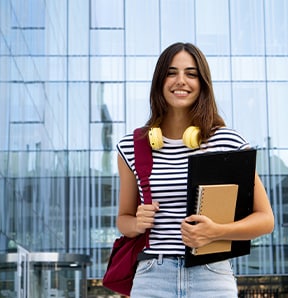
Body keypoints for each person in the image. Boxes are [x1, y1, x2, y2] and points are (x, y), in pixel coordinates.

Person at [116, 42, 274, 297]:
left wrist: (218, 231)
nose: (181, 81)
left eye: (191, 74)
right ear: (159, 81)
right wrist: (137, 223)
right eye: (171, 73)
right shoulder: (132, 146)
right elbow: (123, 219)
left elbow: (266, 220)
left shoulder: (227, 142)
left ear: (202, 83)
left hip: (211, 275)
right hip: (153, 276)